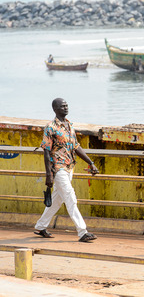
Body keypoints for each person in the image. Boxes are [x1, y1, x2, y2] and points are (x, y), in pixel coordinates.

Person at [34, 98, 99, 242]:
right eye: (62, 106)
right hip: (58, 169)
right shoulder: (50, 127)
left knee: (57, 200)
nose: (65, 107)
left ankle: (40, 226)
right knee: (71, 198)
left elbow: (76, 147)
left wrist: (91, 163)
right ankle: (82, 232)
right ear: (55, 109)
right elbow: (46, 151)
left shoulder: (69, 125)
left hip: (69, 167)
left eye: (66, 105)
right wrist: (49, 175)